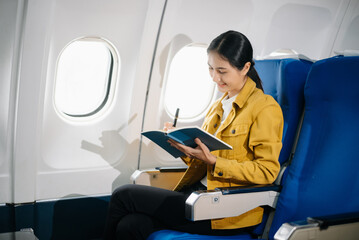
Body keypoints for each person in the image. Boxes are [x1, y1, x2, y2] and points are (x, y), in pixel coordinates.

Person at [103, 30, 284, 240]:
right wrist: (179, 144)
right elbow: (203, 158)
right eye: (211, 68)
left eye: (222, 71)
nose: (215, 77)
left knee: (123, 195)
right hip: (199, 196)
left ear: (245, 68)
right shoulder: (218, 105)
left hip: (226, 208)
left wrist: (215, 161)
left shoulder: (264, 107)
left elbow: (267, 171)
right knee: (131, 225)